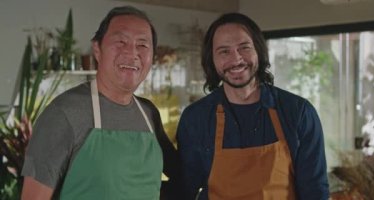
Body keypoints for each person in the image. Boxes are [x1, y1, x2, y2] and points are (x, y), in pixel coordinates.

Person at [21, 6, 180, 200]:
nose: (132, 53)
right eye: (121, 41)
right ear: (97, 49)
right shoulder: (63, 113)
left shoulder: (148, 113)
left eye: (142, 45)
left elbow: (180, 177)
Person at [176, 12, 329, 200]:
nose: (236, 59)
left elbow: (315, 191)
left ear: (258, 50)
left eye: (244, 47)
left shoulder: (299, 112)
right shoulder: (196, 118)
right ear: (212, 60)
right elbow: (183, 191)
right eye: (224, 51)